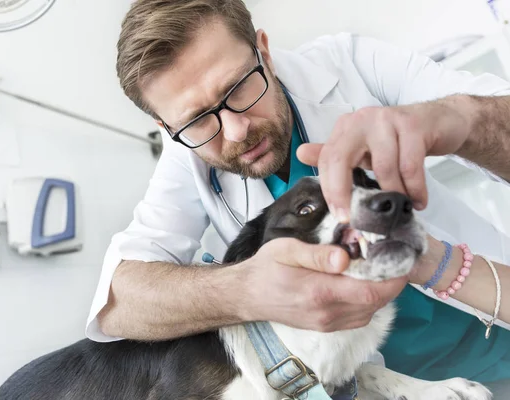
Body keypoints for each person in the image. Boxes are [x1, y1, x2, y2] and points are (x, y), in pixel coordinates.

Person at [86, 0, 510, 393]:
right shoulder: (188, 151)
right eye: (197, 119)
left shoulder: (352, 63)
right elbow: (118, 299)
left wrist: (456, 120)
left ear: (264, 52)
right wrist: (247, 289)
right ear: (167, 128)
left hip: (496, 327)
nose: (235, 130)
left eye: (237, 88)